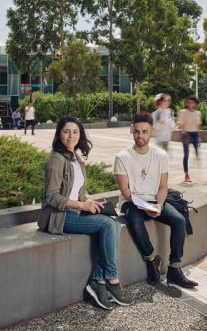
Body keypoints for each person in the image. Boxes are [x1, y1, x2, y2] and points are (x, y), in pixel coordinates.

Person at [39, 116, 133, 310]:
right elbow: (51, 197)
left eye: (75, 132)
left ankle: (98, 280)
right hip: (59, 217)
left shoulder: (76, 158)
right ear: (59, 134)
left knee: (114, 222)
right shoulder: (56, 160)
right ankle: (113, 280)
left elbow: (78, 192)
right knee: (107, 225)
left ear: (80, 134)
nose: (70, 136)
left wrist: (88, 201)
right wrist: (82, 206)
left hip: (74, 211)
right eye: (66, 131)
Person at [114, 113, 198, 288]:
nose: (140, 136)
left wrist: (158, 205)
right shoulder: (122, 157)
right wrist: (143, 207)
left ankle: (175, 269)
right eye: (137, 132)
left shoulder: (160, 156)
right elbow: (125, 190)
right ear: (132, 132)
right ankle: (152, 260)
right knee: (135, 221)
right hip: (131, 202)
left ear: (151, 132)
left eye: (144, 132)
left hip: (154, 200)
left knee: (179, 220)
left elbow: (163, 187)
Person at [177, 96, 202, 183]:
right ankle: (186, 174)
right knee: (186, 155)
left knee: (197, 152)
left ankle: (196, 166)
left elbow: (198, 125)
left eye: (192, 103)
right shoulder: (182, 112)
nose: (190, 104)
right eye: (189, 102)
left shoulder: (198, 113)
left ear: (195, 104)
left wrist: (199, 136)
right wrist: (181, 127)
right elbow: (179, 122)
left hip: (195, 134)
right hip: (186, 134)